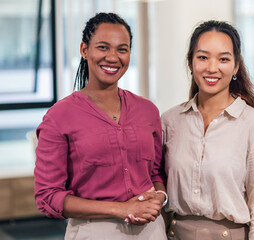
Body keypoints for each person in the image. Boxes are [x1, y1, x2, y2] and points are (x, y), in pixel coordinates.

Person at [34, 12, 167, 240]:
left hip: (150, 231)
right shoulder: (59, 116)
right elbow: (48, 196)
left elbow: (156, 172)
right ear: (84, 50)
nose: (113, 57)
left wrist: (160, 197)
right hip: (93, 231)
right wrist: (121, 208)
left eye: (122, 49)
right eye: (103, 47)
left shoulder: (148, 111)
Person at [161, 20, 254, 239]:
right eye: (203, 57)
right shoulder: (170, 121)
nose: (212, 68)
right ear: (190, 63)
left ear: (235, 67)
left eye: (223, 59)